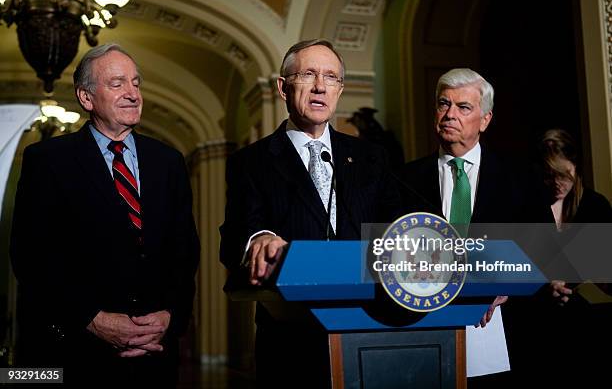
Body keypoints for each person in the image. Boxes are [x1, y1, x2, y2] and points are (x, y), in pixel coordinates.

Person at [10, 43, 200, 387]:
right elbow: (31, 256)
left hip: (153, 355)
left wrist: (168, 316)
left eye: (136, 83)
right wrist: (92, 320)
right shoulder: (47, 160)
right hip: (74, 354)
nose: (132, 94)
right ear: (86, 98)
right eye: (117, 84)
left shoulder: (168, 162)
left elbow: (185, 252)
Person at [219, 39, 398, 388]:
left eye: (331, 77)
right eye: (309, 75)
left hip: (368, 328)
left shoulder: (371, 158)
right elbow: (234, 238)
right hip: (291, 336)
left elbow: (393, 231)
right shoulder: (251, 162)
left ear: (340, 90)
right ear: (283, 87)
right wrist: (260, 239)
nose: (320, 86)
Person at [398, 68, 552, 386]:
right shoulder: (402, 180)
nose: (449, 114)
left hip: (504, 335)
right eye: (443, 104)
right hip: (423, 337)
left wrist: (507, 284)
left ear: (484, 119)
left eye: (463, 107)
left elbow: (547, 251)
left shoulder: (520, 178)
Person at [536, 128, 612, 384]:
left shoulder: (595, 206)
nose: (557, 184)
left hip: (582, 322)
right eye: (549, 176)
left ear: (576, 168)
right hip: (538, 321)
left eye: (564, 175)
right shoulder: (530, 207)